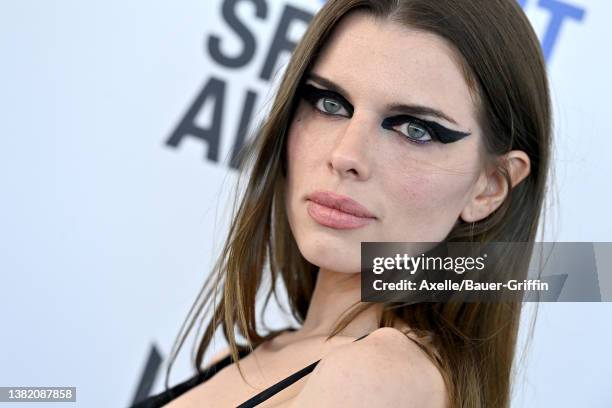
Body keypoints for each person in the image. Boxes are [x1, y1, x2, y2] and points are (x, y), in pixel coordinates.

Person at [132, 0, 551, 406]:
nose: (347, 155)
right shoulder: (244, 360)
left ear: (488, 187)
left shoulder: (377, 375)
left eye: (415, 130)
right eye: (330, 104)